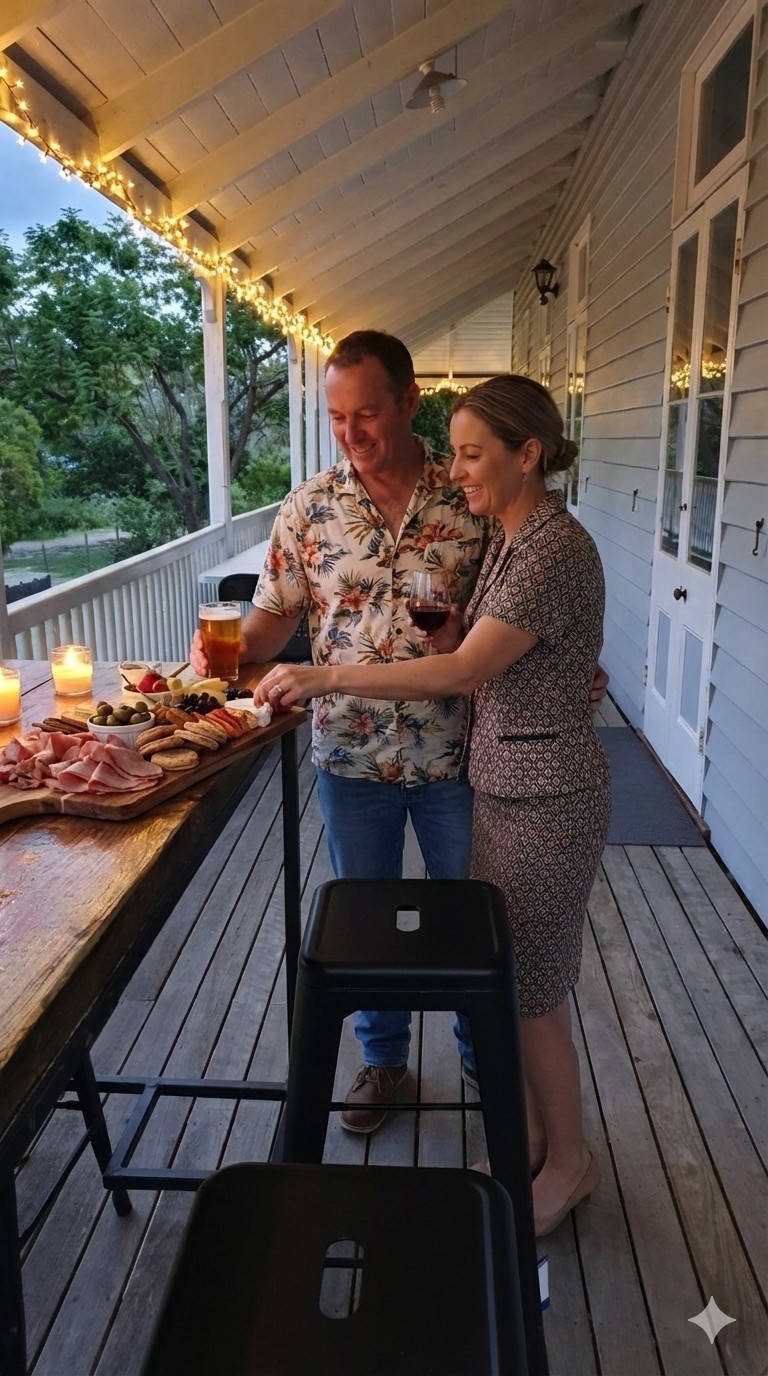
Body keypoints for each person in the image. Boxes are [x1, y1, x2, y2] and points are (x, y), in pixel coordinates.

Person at [190, 332, 608, 1144]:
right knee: (366, 922)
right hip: (350, 755)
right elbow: (275, 620)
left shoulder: (475, 495)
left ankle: (486, 1061)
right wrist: (211, 662)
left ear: (410, 400)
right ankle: (383, 1060)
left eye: (369, 413)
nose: (353, 432)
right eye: (339, 417)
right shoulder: (309, 508)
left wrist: (565, 671)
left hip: (467, 757)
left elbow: (516, 624)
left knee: (472, 926)